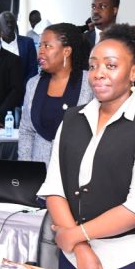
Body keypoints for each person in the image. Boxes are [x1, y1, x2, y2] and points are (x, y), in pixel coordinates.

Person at [39, 24, 135, 269]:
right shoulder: (72, 119)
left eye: (111, 66)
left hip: (133, 259)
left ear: (134, 72)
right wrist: (80, 247)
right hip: (75, 256)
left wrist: (76, 234)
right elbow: (55, 188)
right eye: (93, 65)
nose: (99, 74)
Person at [19, 22, 94, 164]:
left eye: (47, 46)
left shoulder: (90, 82)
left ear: (66, 51)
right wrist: (27, 169)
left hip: (76, 171)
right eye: (40, 45)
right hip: (39, 172)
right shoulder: (33, 84)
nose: (41, 51)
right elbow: (26, 130)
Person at [0, 10, 38, 83]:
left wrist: (24, 87)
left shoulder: (27, 43)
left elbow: (33, 69)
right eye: (7, 22)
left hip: (23, 89)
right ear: (0, 25)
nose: (10, 25)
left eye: (12, 22)